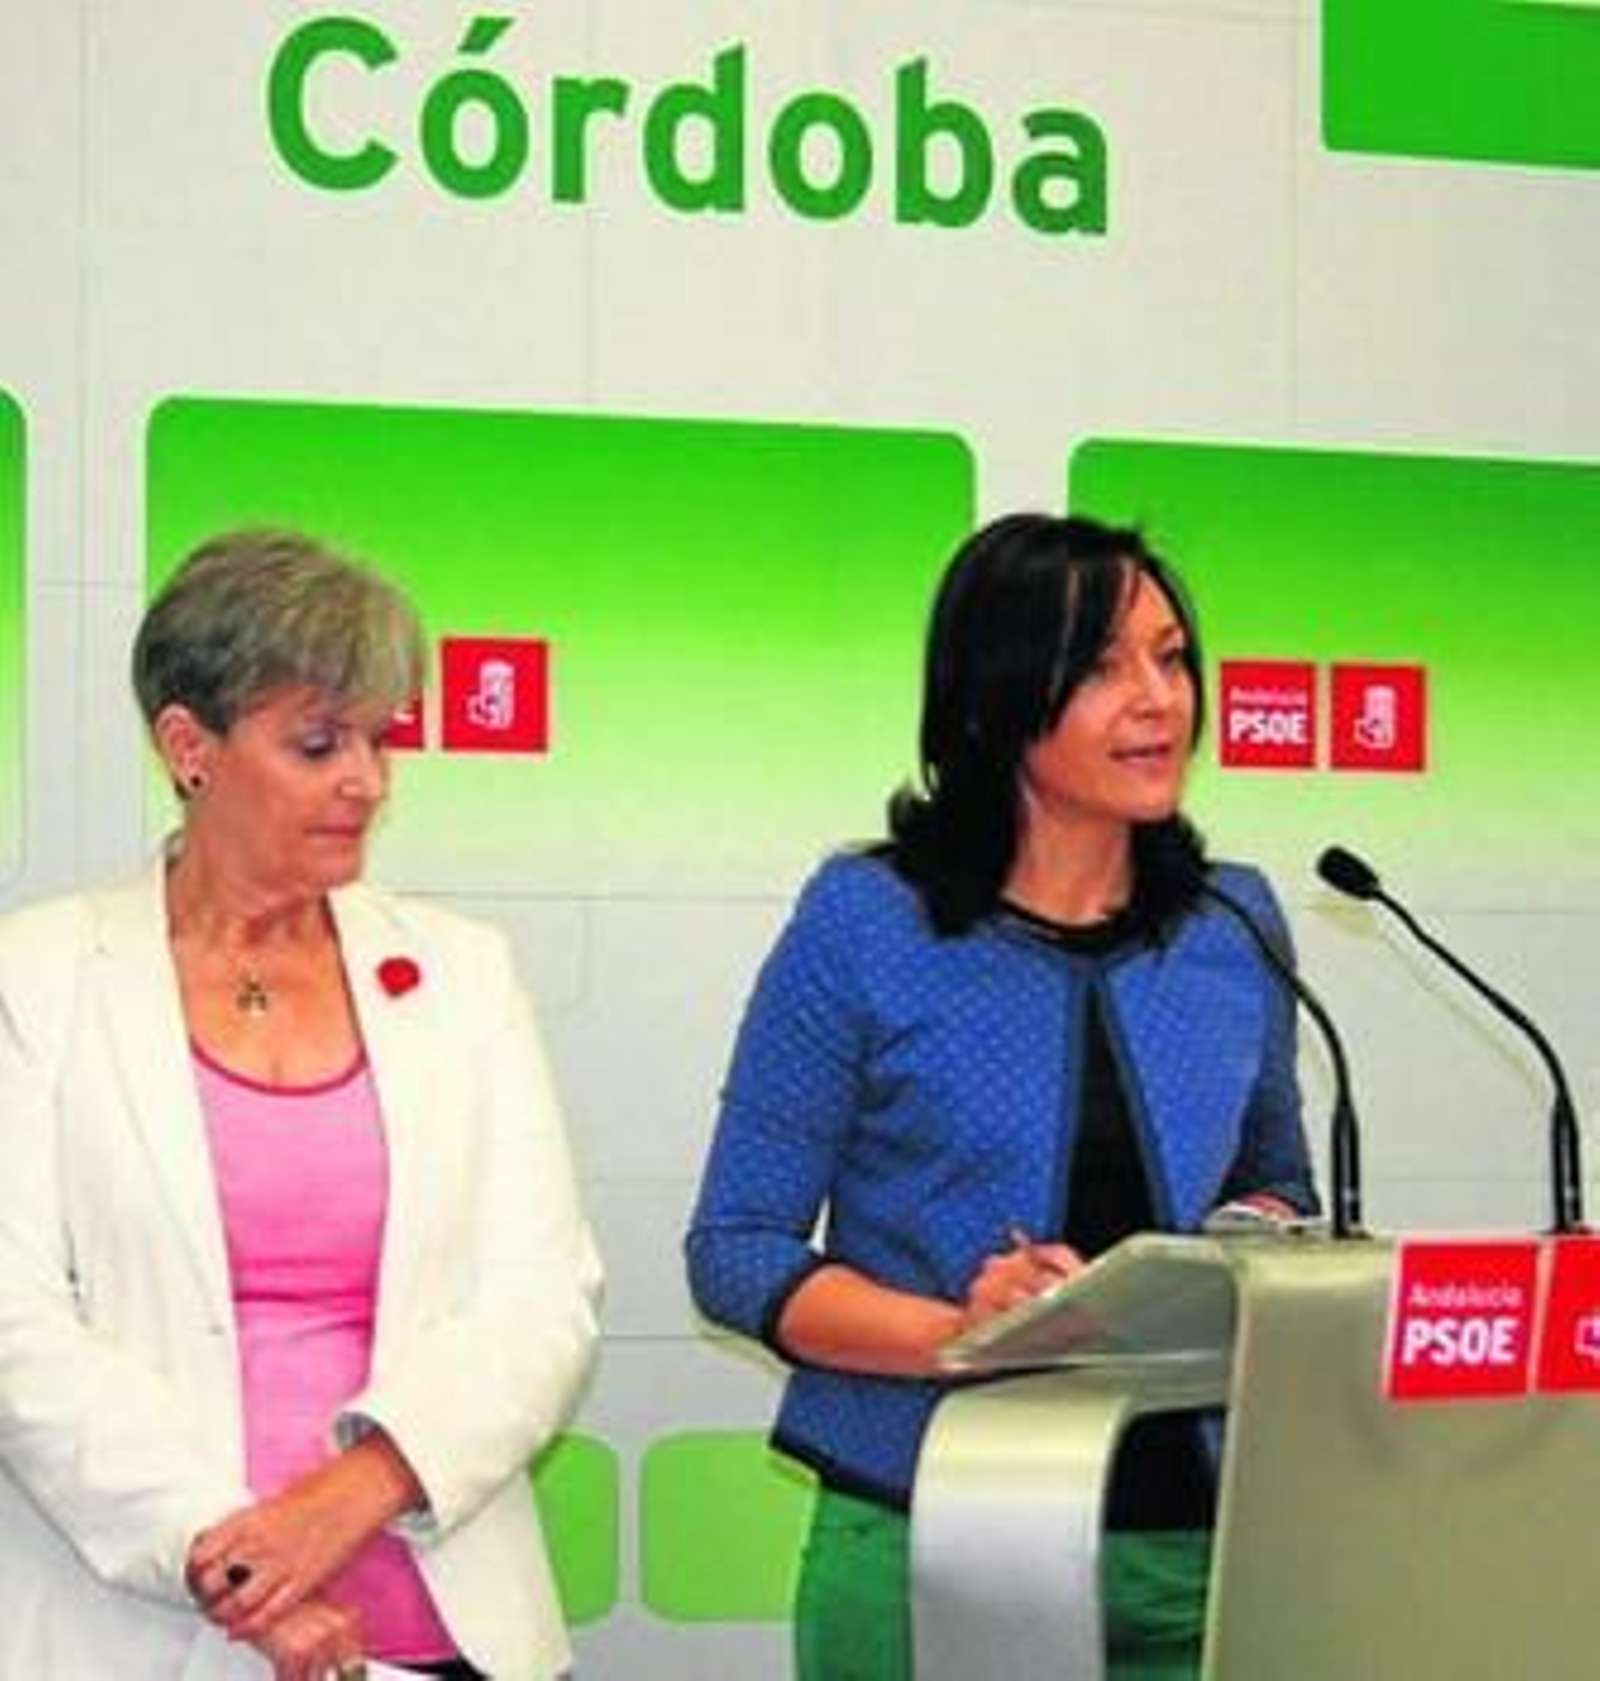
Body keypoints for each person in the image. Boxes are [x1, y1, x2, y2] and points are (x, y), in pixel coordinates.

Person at [685, 512, 1318, 1680]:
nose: (1159, 701)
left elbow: (1273, 1188)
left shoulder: (1233, 922)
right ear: (995, 701)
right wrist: (966, 1336)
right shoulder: (867, 920)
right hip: (928, 1527)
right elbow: (736, 1249)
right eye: (1102, 668)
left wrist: (1229, 1255)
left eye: (1172, 659)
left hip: (1198, 1549)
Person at [0, 530, 603, 1680]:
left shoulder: (462, 971)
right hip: (144, 1620)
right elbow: (14, 1322)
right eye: (319, 743)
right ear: (190, 747)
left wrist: (352, 1492)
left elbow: (543, 1296)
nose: (366, 780)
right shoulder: (35, 974)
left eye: (381, 738)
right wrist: (231, 1558)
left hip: (440, 1623)